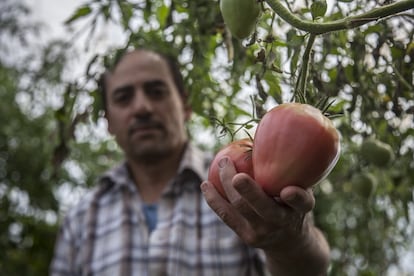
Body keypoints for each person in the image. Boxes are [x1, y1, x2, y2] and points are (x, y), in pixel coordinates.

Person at [50, 48, 330, 275]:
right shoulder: (81, 218)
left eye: (156, 91)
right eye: (124, 98)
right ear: (108, 121)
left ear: (185, 105)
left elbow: (311, 267)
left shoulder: (245, 181)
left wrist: (290, 242)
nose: (142, 107)